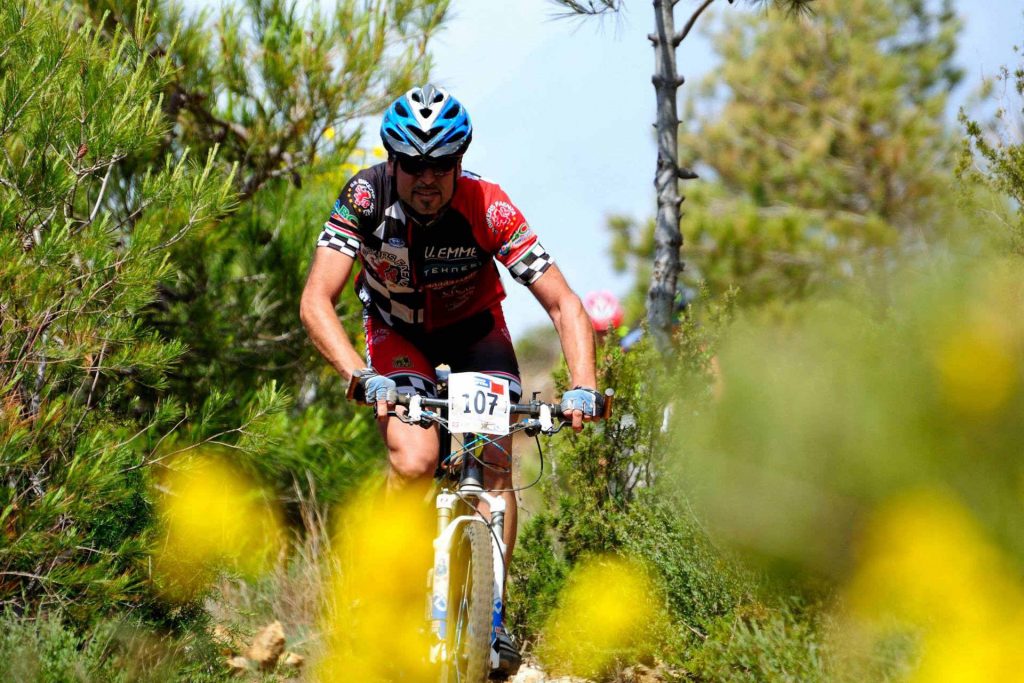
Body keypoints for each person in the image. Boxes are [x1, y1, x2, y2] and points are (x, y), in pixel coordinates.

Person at [299, 84, 603, 677]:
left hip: (474, 334)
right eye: (412, 164)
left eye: (441, 164)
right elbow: (317, 300)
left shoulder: (489, 207)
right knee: (414, 459)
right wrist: (361, 375)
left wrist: (582, 386)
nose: (427, 178)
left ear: (460, 161)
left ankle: (493, 616)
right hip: (398, 334)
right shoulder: (364, 197)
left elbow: (564, 303)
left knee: (493, 461)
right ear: (393, 160)